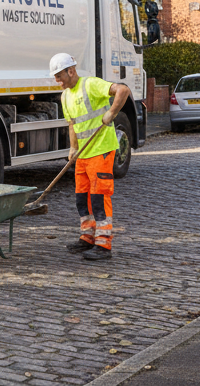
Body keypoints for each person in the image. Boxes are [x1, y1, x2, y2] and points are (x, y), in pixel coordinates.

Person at [49, 52, 130, 261]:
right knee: (82, 198)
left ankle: (104, 244)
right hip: (84, 153)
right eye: (55, 77)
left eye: (60, 76)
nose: (57, 81)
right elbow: (72, 124)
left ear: (71, 71)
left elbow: (123, 89)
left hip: (101, 149)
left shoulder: (90, 84)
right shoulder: (65, 95)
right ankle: (88, 237)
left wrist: (111, 113)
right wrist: (72, 148)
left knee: (99, 197)